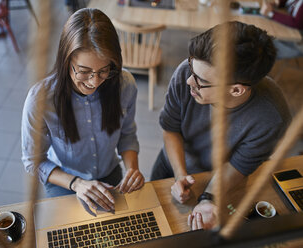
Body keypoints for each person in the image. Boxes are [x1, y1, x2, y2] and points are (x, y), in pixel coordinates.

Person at [150, 21, 291, 230]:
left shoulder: (272, 116)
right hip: (170, 164)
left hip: (221, 180)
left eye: (199, 80)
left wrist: (208, 197)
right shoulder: (185, 73)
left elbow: (240, 164)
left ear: (236, 90)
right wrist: (179, 174)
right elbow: (170, 128)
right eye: (191, 66)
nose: (189, 81)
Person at [21, 8, 144, 212]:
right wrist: (77, 184)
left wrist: (132, 169)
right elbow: (33, 161)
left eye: (104, 70)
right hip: (64, 180)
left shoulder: (125, 85)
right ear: (65, 60)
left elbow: (127, 135)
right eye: (84, 71)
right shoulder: (40, 100)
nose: (94, 82)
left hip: (109, 172)